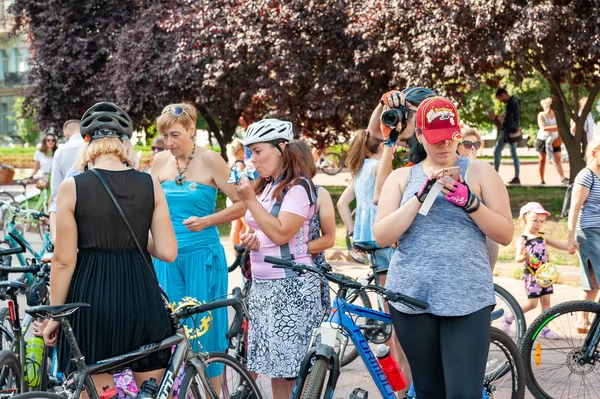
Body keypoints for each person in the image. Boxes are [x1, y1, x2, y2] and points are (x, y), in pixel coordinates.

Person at [373, 97, 513, 398]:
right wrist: (419, 198)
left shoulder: (480, 172)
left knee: (464, 393)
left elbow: (505, 233)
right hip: (413, 297)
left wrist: (471, 203)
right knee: (428, 390)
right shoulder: (401, 178)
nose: (444, 146)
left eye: (450, 137)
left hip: (468, 296)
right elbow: (382, 235)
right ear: (420, 135)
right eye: (435, 139)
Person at [43, 102, 177, 391]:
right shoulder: (150, 183)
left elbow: (64, 261)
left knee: (100, 392)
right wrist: (136, 233)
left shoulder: (72, 187)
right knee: (151, 391)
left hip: (92, 301)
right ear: (124, 142)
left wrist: (55, 316)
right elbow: (167, 252)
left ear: (87, 141)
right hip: (142, 299)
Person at [151, 103, 245, 375]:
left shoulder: (212, 160)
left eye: (175, 135)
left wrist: (207, 220)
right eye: (165, 136)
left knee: (204, 332)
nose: (168, 143)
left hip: (202, 256)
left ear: (191, 129)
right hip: (166, 257)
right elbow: (147, 206)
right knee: (170, 331)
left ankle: (214, 390)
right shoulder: (159, 162)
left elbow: (242, 203)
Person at [234, 119, 321, 398]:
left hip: (291, 286)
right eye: (250, 152)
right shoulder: (266, 186)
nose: (253, 159)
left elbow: (283, 233)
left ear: (281, 147)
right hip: (262, 286)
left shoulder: (298, 187)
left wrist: (249, 200)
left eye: (258, 151)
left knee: (292, 370)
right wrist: (253, 238)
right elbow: (267, 231)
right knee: (274, 367)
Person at [502, 202, 575, 339]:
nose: (538, 224)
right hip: (532, 276)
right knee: (532, 304)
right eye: (535, 220)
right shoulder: (523, 240)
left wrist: (568, 248)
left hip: (545, 275)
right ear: (524, 220)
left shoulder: (542, 237)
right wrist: (523, 256)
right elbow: (517, 257)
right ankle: (509, 317)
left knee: (546, 303)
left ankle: (544, 329)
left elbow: (558, 244)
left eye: (541, 221)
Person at [367, 87, 437, 204]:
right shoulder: (417, 146)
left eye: (407, 113)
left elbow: (380, 197)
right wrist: (383, 103)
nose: (401, 119)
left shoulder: (432, 159)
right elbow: (373, 131)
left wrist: (389, 143)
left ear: (425, 118)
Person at [292, 139, 336, 314]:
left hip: (311, 268)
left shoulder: (319, 194)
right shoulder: (276, 193)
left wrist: (296, 252)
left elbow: (329, 238)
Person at [568, 136, 600, 333]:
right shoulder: (586, 175)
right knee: (594, 279)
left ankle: (583, 319)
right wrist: (570, 236)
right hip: (588, 232)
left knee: (594, 281)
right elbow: (575, 207)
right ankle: (583, 319)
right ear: (595, 153)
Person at [456, 127, 499, 269]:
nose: (472, 149)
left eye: (476, 145)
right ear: (458, 145)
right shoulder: (453, 169)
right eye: (467, 144)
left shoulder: (484, 169)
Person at [49, 120, 84, 241]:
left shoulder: (61, 151)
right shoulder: (91, 147)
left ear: (67, 132)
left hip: (68, 207)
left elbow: (55, 189)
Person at [491, 88, 521, 185]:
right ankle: (516, 176)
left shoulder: (511, 103)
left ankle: (495, 175)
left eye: (500, 98)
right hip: (513, 129)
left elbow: (509, 119)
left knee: (497, 151)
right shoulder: (514, 101)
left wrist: (496, 117)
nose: (500, 100)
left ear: (503, 94)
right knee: (513, 153)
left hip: (508, 130)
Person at [536, 98, 568, 185]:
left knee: (557, 159)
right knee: (542, 159)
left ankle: (562, 178)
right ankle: (542, 180)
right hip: (543, 139)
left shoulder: (557, 115)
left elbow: (562, 127)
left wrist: (560, 136)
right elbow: (543, 128)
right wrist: (558, 127)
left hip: (555, 139)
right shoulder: (541, 115)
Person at [226, 139, 249, 254]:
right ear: (240, 151)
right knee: (247, 226)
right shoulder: (240, 164)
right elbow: (240, 180)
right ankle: (240, 253)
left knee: (236, 226)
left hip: (230, 197)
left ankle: (236, 253)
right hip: (239, 197)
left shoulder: (230, 164)